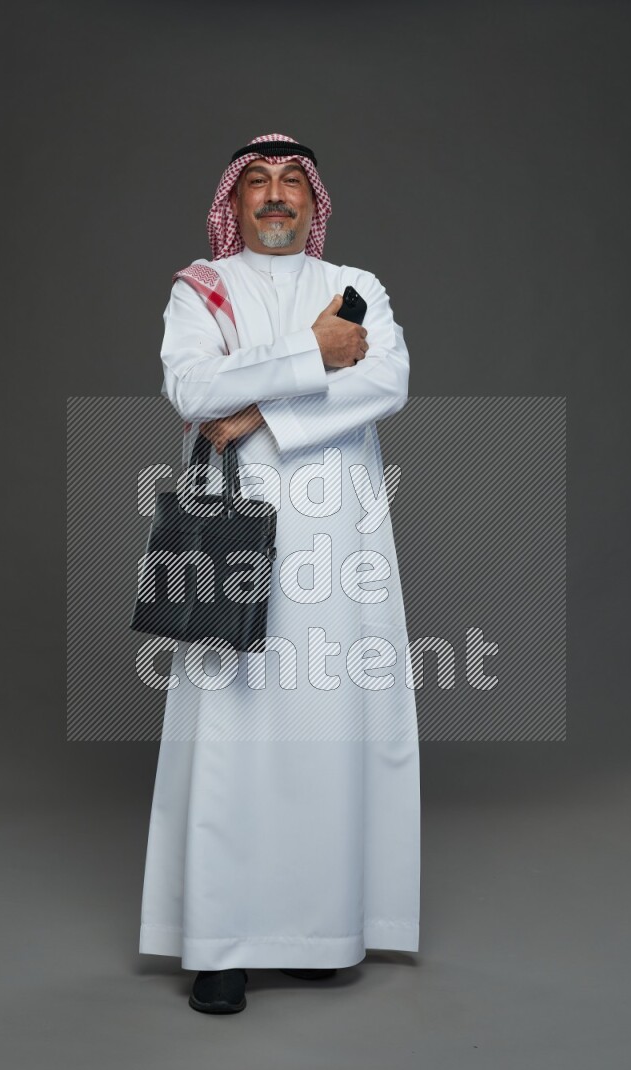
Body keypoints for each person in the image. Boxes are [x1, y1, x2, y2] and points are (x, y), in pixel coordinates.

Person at [138, 133, 421, 1015]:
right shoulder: (202, 288)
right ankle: (220, 945)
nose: (273, 196)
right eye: (256, 182)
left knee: (329, 717)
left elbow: (388, 381)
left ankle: (318, 928)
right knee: (233, 726)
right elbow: (192, 391)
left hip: (339, 534)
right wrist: (309, 361)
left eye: (290, 182)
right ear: (236, 199)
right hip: (236, 532)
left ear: (313, 201)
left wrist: (256, 401)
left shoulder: (357, 287)